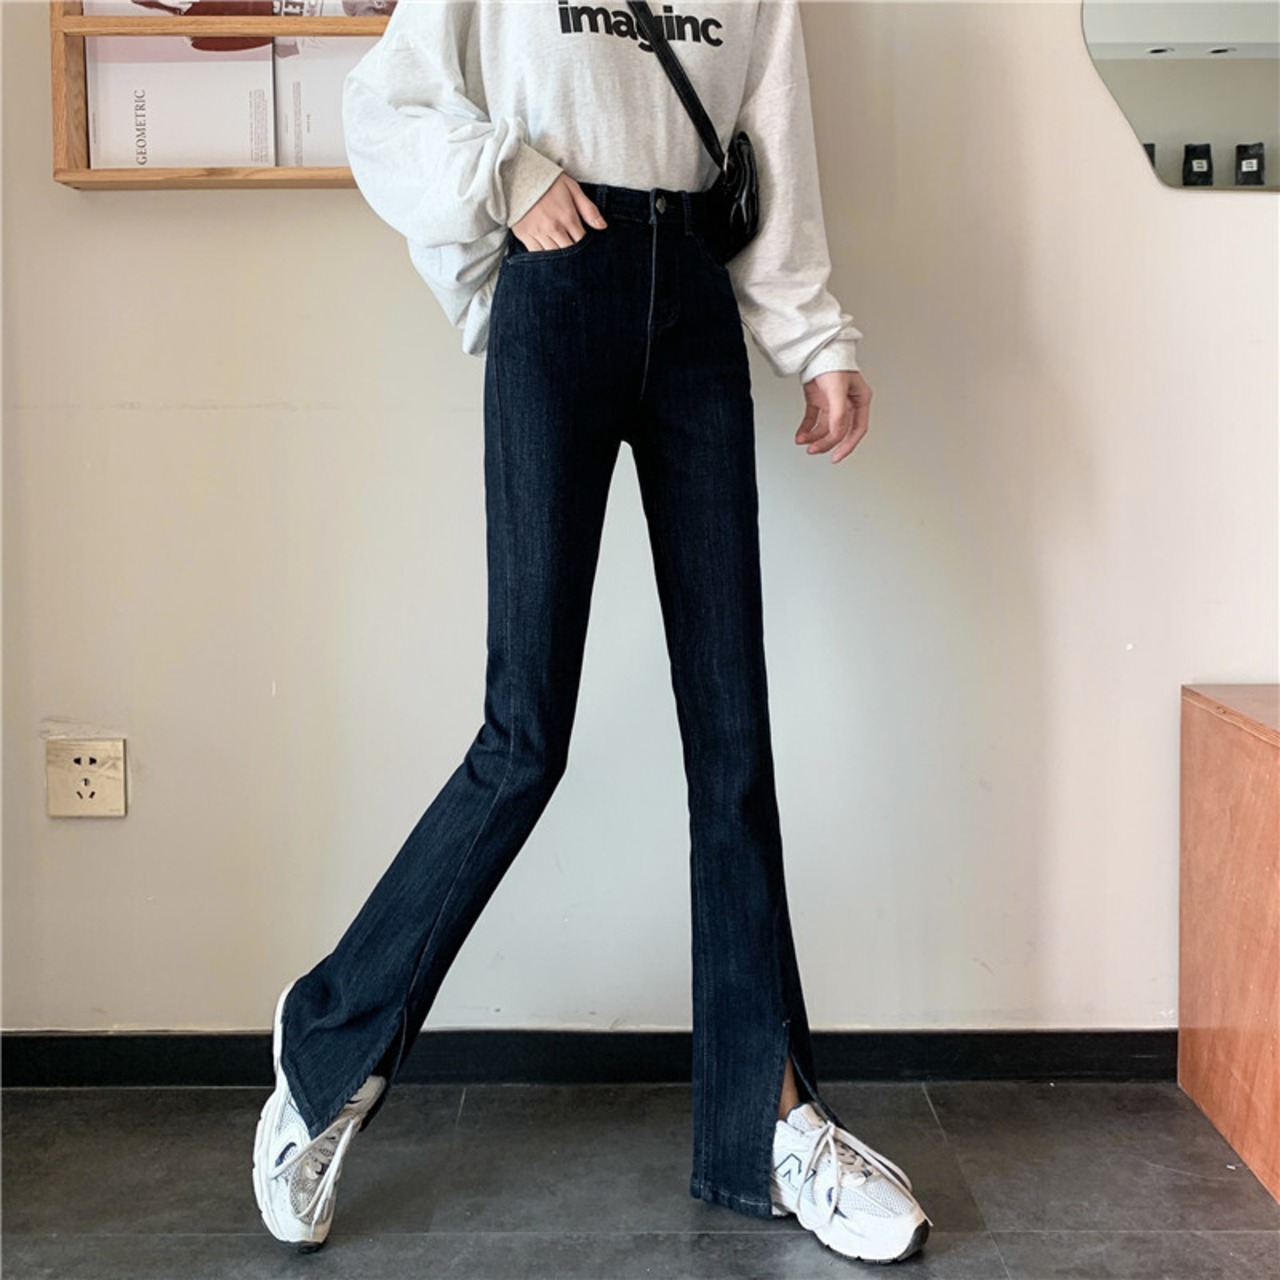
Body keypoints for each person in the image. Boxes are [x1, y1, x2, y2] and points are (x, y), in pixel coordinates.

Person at [251, 0, 932, 1265]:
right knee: (524, 736)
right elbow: (383, 104)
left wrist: (813, 335)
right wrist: (504, 176)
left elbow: (767, 143)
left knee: (731, 739)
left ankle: (772, 1117)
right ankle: (327, 1040)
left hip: (696, 308)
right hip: (559, 287)